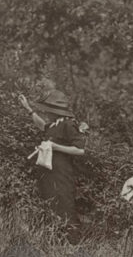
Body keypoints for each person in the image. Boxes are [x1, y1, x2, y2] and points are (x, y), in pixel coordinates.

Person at [18, 89, 86, 240]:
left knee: (64, 205)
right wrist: (28, 109)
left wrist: (56, 147)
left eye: (48, 110)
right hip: (50, 173)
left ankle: (72, 242)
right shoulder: (55, 124)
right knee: (51, 203)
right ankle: (54, 240)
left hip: (62, 173)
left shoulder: (68, 124)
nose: (46, 112)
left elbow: (80, 150)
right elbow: (43, 126)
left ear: (56, 111)